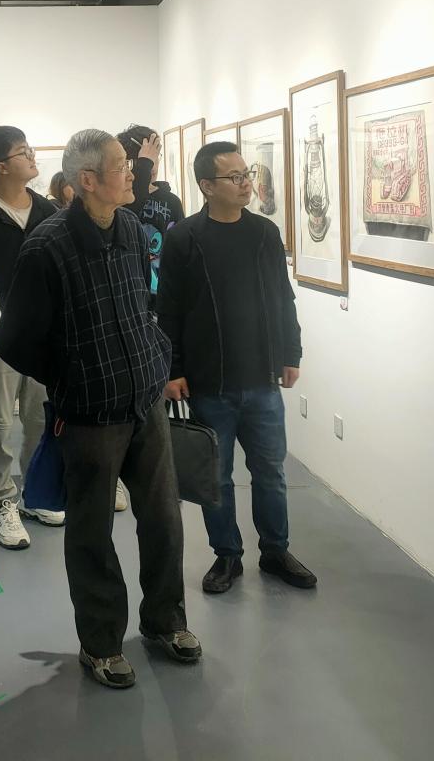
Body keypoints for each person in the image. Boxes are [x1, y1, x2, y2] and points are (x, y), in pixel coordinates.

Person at [0, 128, 201, 690]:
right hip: (89, 415)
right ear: (87, 180)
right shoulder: (47, 248)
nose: (132, 173)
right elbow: (12, 340)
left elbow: (142, 301)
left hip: (145, 402)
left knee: (164, 520)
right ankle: (102, 643)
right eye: (120, 166)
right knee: (91, 534)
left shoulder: (130, 228)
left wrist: (154, 354)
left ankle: (165, 622)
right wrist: (71, 374)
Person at [156, 142, 315, 595]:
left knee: (271, 472)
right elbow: (169, 309)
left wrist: (291, 353)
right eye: (236, 177)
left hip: (262, 379)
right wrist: (172, 369)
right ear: (207, 186)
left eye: (247, 175)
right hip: (209, 383)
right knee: (217, 477)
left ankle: (275, 550)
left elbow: (283, 296)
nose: (247, 184)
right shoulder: (184, 238)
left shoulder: (264, 233)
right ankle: (227, 554)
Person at [0, 127, 60, 549]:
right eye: (23, 152)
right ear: (2, 167)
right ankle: (4, 501)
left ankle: (35, 493)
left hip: (42, 336)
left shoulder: (48, 210)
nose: (32, 156)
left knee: (39, 418)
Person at [116, 125, 184, 300]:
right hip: (128, 291)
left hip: (163, 293)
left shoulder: (171, 201)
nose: (152, 167)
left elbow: (180, 249)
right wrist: (143, 167)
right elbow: (124, 218)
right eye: (146, 160)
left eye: (156, 157)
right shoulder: (118, 199)